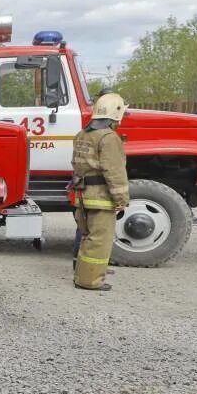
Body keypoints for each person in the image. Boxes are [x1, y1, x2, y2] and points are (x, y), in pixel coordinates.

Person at [72, 90, 130, 291]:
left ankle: (83, 275)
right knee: (99, 241)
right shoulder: (108, 137)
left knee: (87, 238)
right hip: (101, 197)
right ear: (116, 113)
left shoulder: (82, 134)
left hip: (82, 196)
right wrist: (122, 200)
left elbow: (76, 165)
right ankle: (90, 281)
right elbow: (114, 171)